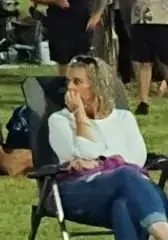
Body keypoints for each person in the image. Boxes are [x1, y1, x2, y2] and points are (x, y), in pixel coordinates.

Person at [50, 55, 168, 240]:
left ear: (97, 86)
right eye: (68, 81)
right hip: (77, 190)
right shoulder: (59, 120)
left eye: (77, 82)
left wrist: (100, 162)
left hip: (124, 189)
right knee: (129, 177)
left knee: (124, 204)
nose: (70, 87)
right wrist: (80, 115)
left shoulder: (124, 118)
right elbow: (85, 152)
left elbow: (137, 158)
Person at [116, 0, 168, 115]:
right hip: (138, 16)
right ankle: (143, 101)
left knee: (165, 57)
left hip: (162, 16)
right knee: (141, 59)